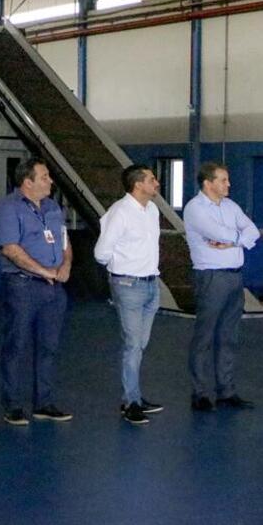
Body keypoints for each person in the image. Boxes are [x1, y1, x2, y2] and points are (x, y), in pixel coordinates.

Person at [0, 158, 73, 426]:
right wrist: (43, 271)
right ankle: (12, 405)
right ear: (27, 182)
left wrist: (66, 265)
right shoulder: (9, 208)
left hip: (54, 287)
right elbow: (10, 249)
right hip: (23, 285)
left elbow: (64, 241)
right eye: (44, 177)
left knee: (49, 345)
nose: (50, 181)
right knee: (16, 344)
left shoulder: (52, 207)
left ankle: (44, 402)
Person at [182, 162, 259, 412]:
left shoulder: (231, 206)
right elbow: (218, 233)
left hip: (235, 277)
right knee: (204, 336)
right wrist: (238, 239)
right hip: (211, 277)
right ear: (208, 183)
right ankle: (200, 393)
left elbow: (253, 231)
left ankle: (226, 391)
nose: (229, 184)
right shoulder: (195, 208)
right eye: (223, 180)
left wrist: (233, 242)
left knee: (229, 336)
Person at [94, 163, 165, 425]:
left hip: (151, 284)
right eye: (152, 179)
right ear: (138, 185)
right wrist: (121, 269)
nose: (156, 183)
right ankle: (131, 402)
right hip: (128, 285)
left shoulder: (152, 210)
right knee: (133, 344)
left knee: (140, 343)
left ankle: (134, 394)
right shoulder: (120, 212)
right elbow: (101, 253)